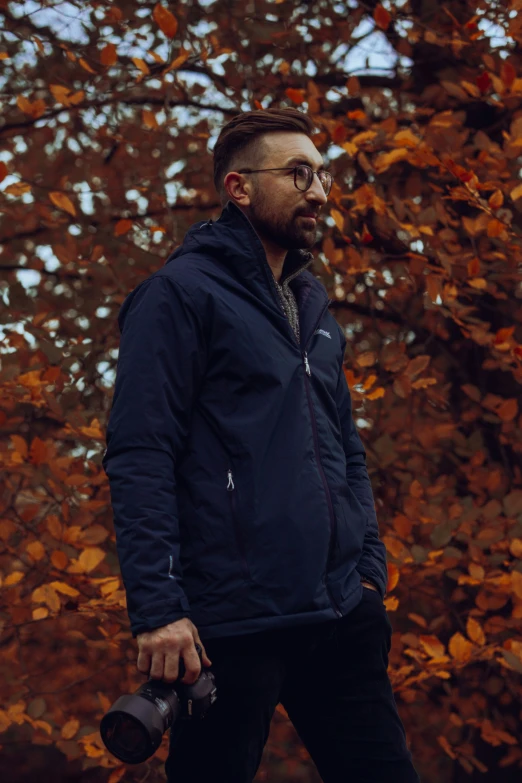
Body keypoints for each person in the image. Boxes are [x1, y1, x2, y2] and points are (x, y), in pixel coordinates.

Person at [102, 108, 420, 783]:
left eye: (323, 174)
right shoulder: (178, 296)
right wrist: (159, 610)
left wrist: (368, 568)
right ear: (239, 188)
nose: (319, 190)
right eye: (298, 173)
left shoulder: (312, 303)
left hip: (340, 612)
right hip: (229, 624)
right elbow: (140, 452)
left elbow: (345, 445)